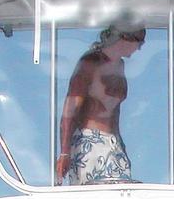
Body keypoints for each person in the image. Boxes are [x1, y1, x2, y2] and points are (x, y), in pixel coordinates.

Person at [55, 19, 146, 185]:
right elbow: (70, 110)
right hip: (89, 141)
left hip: (112, 142)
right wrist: (64, 152)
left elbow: (115, 110)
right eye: (140, 40)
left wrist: (120, 145)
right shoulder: (90, 63)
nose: (140, 47)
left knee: (122, 197)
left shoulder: (120, 65)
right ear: (126, 37)